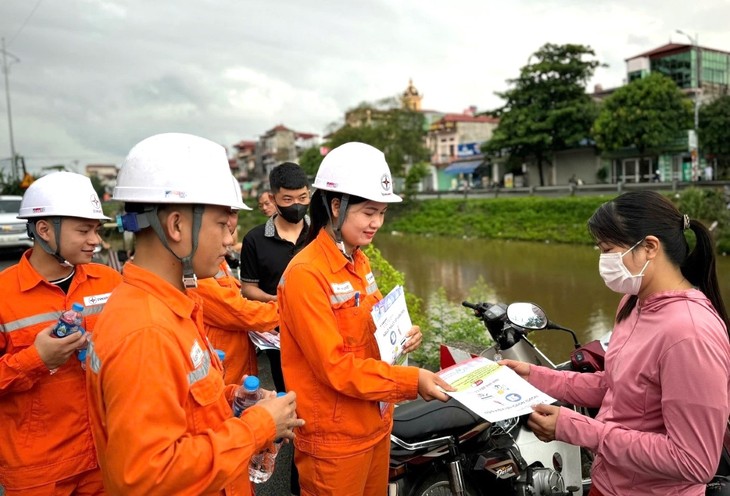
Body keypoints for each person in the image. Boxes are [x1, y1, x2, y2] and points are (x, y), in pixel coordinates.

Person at [85, 133, 304, 495]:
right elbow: (146, 478)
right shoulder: (146, 332)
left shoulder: (169, 304)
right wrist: (259, 426)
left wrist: (232, 398)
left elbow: (184, 407)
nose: (229, 241)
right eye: (221, 225)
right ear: (176, 226)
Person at [502, 190, 730, 496]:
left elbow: (694, 462)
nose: (603, 261)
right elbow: (617, 385)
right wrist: (534, 376)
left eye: (608, 249)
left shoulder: (690, 334)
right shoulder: (634, 303)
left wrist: (579, 429)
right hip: (609, 482)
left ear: (650, 247)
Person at [277, 142, 454, 496]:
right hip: (335, 441)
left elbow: (371, 324)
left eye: (382, 213)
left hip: (375, 423)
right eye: (369, 212)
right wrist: (412, 380)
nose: (377, 223)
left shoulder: (359, 260)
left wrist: (403, 334)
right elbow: (336, 368)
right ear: (336, 206)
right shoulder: (305, 274)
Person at [0, 171, 123, 496]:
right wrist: (36, 359)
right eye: (83, 230)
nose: (95, 240)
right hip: (38, 472)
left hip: (105, 457)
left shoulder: (110, 282)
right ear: (44, 230)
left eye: (96, 230)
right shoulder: (3, 294)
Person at [190, 175, 279, 386]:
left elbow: (237, 298)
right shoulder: (195, 270)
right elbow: (237, 310)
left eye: (234, 213)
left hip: (239, 375)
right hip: (223, 378)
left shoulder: (215, 261)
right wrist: (287, 307)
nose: (230, 226)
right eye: (222, 219)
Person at [241, 161, 310, 395]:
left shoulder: (321, 234)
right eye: (288, 199)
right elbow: (248, 288)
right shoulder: (255, 239)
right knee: (287, 390)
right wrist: (277, 301)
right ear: (273, 198)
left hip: (318, 326)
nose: (297, 205)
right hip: (278, 334)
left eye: (302, 197)